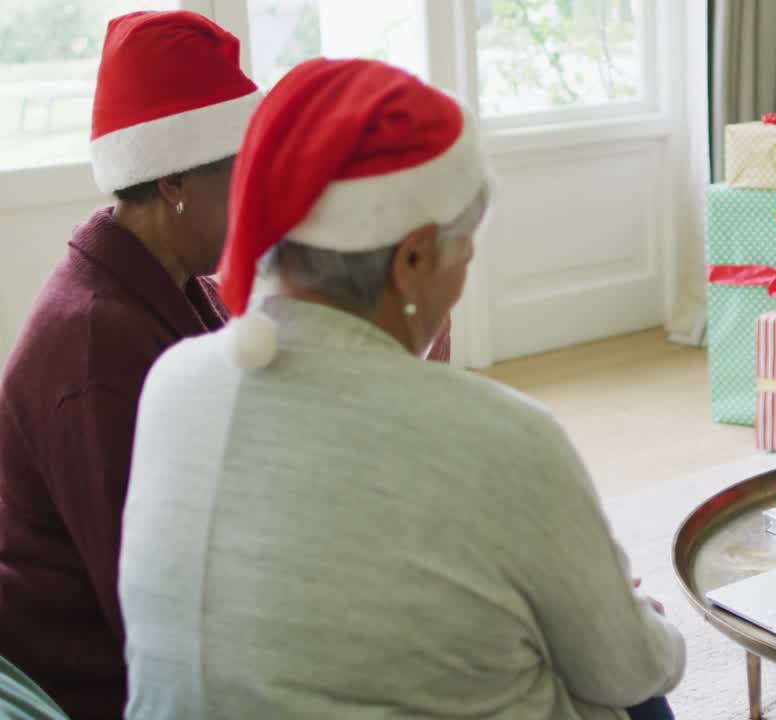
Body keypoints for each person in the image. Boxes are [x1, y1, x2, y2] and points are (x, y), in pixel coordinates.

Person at [119, 58, 684, 720]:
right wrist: (648, 625)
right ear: (413, 260)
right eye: (465, 251)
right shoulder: (504, 436)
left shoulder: (172, 384)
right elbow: (632, 667)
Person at [0, 12, 260, 718]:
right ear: (173, 182)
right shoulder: (95, 355)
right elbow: (147, 612)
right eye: (240, 181)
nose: (255, 204)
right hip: (84, 673)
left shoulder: (179, 285)